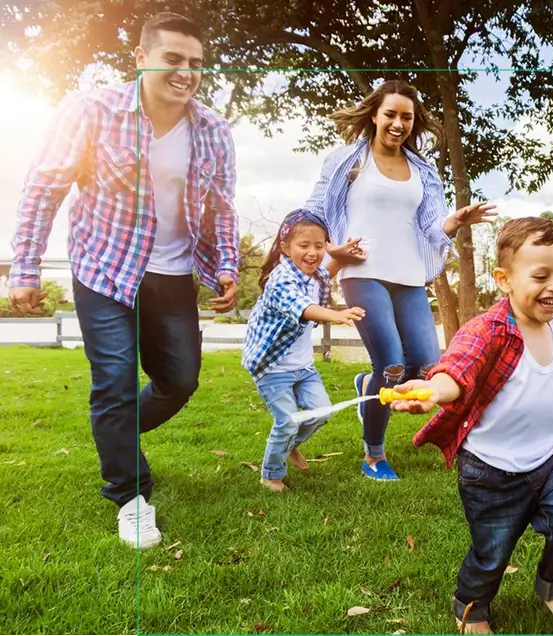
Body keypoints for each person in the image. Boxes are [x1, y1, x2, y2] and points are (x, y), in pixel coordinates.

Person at [7, 12, 240, 549]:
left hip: (174, 273)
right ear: (140, 58)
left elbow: (221, 209)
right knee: (112, 380)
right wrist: (25, 266)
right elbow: (44, 187)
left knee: (179, 381)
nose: (186, 72)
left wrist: (225, 263)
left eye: (196, 64)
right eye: (173, 59)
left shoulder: (213, 129)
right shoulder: (92, 110)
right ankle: (130, 494)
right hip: (105, 268)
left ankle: (114, 431)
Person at [391, 217, 553, 634]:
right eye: (541, 275)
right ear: (504, 279)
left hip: (549, 459)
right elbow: (456, 370)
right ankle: (470, 605)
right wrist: (433, 391)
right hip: (489, 470)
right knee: (491, 551)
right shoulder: (487, 330)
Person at [304, 79, 497, 481]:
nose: (398, 123)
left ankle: (367, 386)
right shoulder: (347, 160)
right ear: (374, 115)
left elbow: (430, 225)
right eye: (390, 114)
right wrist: (331, 252)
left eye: (406, 117)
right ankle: (374, 455)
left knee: (427, 366)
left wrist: (456, 221)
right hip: (363, 271)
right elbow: (316, 210)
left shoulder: (423, 171)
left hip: (408, 273)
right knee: (391, 365)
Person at [242, 210, 367, 493]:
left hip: (303, 366)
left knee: (321, 412)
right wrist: (336, 314)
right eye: (304, 246)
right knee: (286, 421)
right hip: (272, 367)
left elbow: (328, 270)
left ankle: (289, 445)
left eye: (319, 246)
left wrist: (343, 256)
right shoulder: (281, 279)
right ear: (285, 249)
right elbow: (303, 308)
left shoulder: (313, 274)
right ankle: (271, 475)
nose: (312, 253)